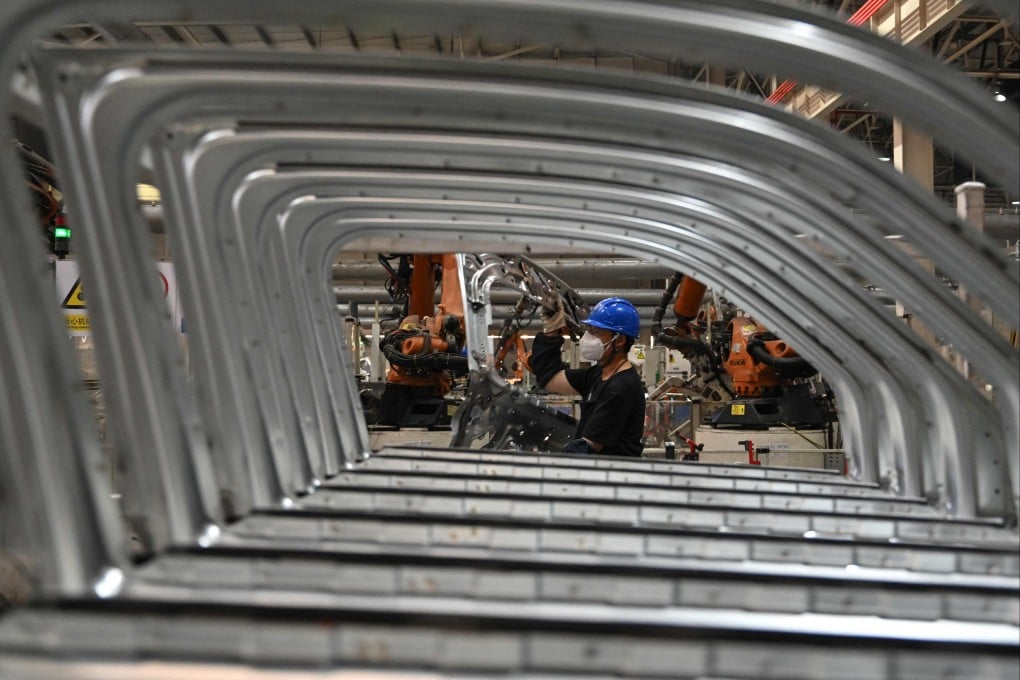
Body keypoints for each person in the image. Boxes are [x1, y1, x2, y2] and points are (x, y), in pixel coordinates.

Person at [529, 297, 646, 457]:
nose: (588, 338)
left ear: (619, 340)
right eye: (589, 330)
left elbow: (587, 447)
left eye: (596, 332)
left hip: (611, 477)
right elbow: (549, 379)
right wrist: (551, 331)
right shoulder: (598, 374)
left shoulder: (621, 388)